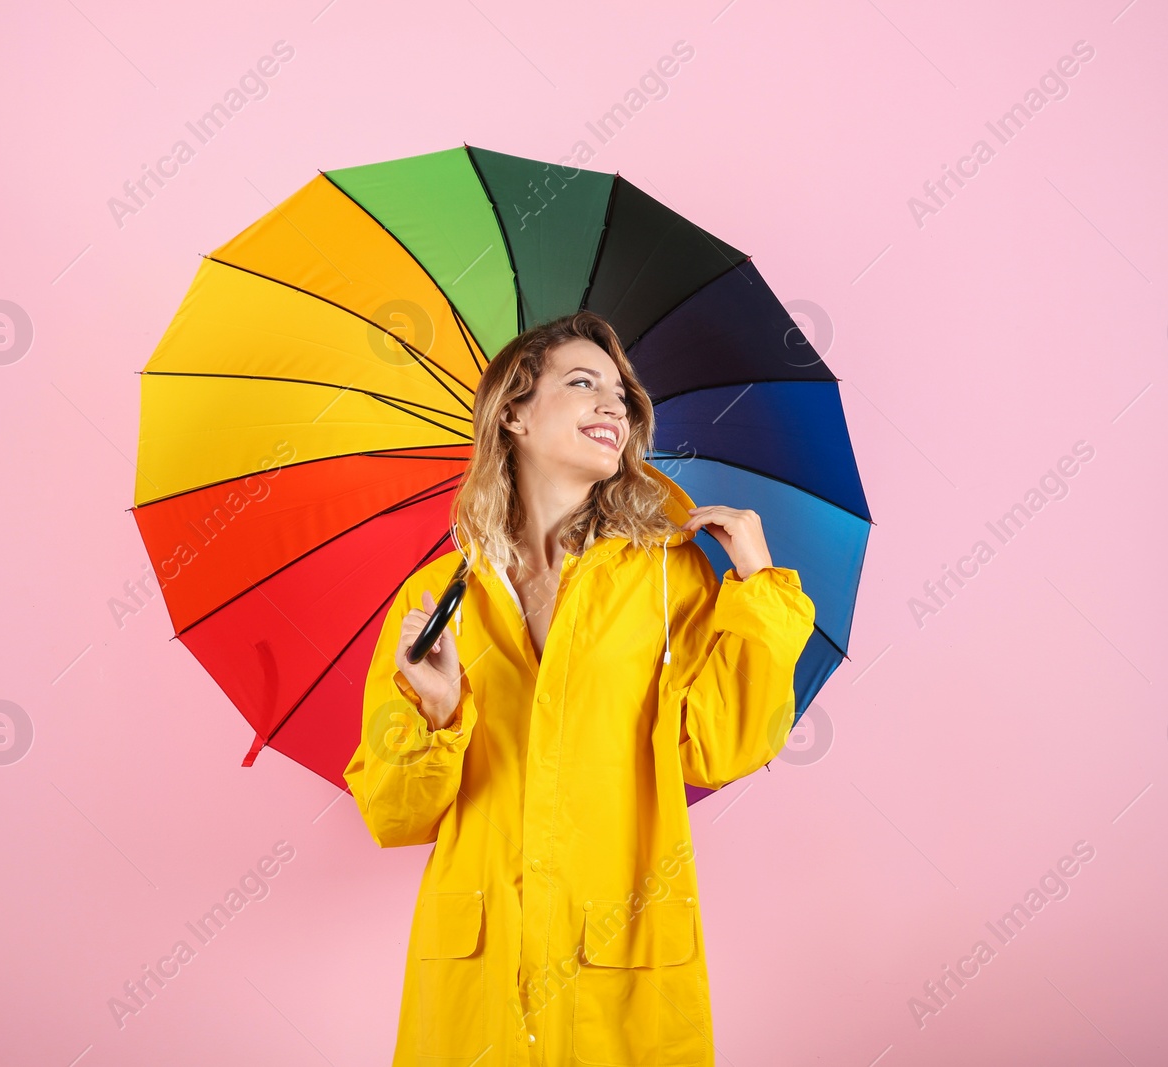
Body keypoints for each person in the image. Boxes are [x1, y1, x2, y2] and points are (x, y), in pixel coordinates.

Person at [341, 310, 816, 1065]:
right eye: (583, 382)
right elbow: (393, 817)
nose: (614, 403)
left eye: (622, 392)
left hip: (619, 974)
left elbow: (723, 748)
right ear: (517, 413)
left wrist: (760, 584)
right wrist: (435, 716)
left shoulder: (668, 577)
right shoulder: (437, 601)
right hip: (478, 979)